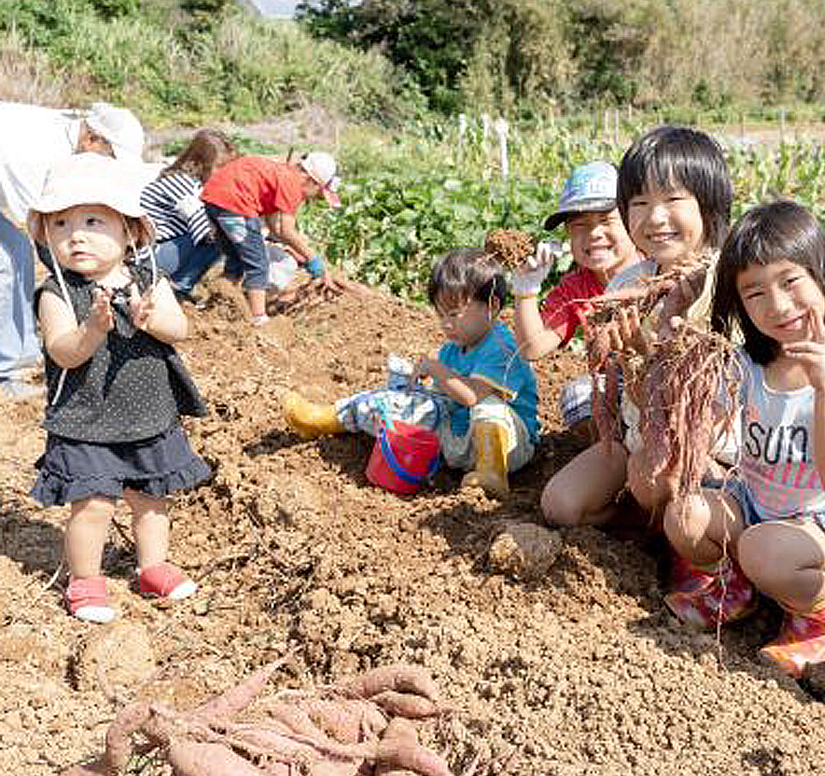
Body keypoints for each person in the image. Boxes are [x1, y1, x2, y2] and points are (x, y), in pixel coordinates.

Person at [661, 200, 825, 675]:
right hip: (755, 506)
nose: (776, 305)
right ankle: (736, 588)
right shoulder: (745, 366)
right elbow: (703, 434)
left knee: (762, 549)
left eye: (790, 282)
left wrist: (823, 387)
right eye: (754, 293)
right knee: (685, 513)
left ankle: (821, 618)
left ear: (824, 276)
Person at [27, 153, 210, 623]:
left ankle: (154, 566)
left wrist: (155, 319)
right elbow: (63, 351)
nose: (76, 234)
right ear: (46, 234)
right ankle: (86, 579)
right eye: (61, 223)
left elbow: (180, 328)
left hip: (148, 412)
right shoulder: (58, 292)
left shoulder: (148, 279)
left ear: (130, 230)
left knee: (152, 499)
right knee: (92, 505)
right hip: (86, 418)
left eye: (92, 220)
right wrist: (91, 330)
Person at [540, 126, 731, 532]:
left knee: (655, 474)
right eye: (640, 202)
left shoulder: (731, 286)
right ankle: (640, 524)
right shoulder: (628, 285)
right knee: (560, 505)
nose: (655, 217)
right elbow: (633, 394)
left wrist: (653, 354)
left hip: (715, 450)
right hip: (639, 434)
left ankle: (698, 552)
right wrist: (634, 357)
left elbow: (701, 408)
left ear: (709, 205)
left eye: (673, 199)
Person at [282, 248, 539, 499]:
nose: (446, 324)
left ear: (491, 306)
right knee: (400, 402)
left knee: (489, 405)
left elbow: (473, 396)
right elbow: (444, 398)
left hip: (509, 448)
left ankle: (491, 474)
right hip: (457, 440)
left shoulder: (502, 347)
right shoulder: (452, 349)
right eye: (440, 315)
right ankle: (325, 419)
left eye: (454, 314)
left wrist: (435, 368)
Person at [0, 101, 144, 398]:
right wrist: (93, 285)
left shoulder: (67, 139)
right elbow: (48, 238)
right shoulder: (36, 154)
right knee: (6, 260)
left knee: (16, 251)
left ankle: (26, 353)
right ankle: (9, 372)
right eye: (110, 157)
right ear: (91, 139)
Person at [509, 161, 640, 439]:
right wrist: (526, 289)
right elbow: (533, 348)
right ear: (568, 234)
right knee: (578, 398)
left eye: (606, 220)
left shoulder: (656, 267)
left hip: (660, 386)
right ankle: (615, 451)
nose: (593, 233)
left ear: (633, 219)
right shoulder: (576, 288)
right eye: (580, 225)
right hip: (617, 390)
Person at [200, 151, 339, 324]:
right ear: (311, 180)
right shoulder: (293, 184)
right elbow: (287, 230)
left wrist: (294, 251)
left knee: (236, 262)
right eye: (318, 192)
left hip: (214, 197)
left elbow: (276, 227)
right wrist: (313, 258)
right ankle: (259, 319)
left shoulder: (281, 173)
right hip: (235, 203)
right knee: (259, 264)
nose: (314, 198)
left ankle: (214, 307)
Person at [140, 128, 239, 300]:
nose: (225, 175)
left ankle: (177, 286)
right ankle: (178, 289)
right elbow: (206, 233)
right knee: (219, 238)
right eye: (220, 167)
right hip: (146, 260)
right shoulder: (184, 186)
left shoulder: (185, 179)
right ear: (200, 163)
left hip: (156, 252)